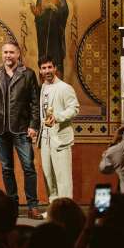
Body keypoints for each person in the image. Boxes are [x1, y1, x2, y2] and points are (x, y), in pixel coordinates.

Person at [0, 41, 43, 220]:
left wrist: (33, 125)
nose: (8, 55)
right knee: (7, 169)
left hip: (22, 128)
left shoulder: (28, 74)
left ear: (18, 54)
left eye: (11, 52)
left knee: (29, 168)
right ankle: (12, 206)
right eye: (5, 52)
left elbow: (34, 103)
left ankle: (32, 207)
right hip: (0, 130)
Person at [38, 55, 79, 201]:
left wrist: (58, 117)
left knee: (63, 178)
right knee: (49, 177)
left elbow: (74, 109)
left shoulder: (65, 88)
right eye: (44, 68)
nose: (47, 70)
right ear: (40, 70)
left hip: (60, 138)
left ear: (55, 68)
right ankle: (54, 209)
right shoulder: (43, 87)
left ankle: (66, 211)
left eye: (50, 67)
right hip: (45, 139)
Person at [30, 0, 69, 73]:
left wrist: (56, 9)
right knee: (44, 56)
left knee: (56, 57)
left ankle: (58, 80)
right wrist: (44, 10)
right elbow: (38, 16)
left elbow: (65, 12)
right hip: (43, 34)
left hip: (56, 34)